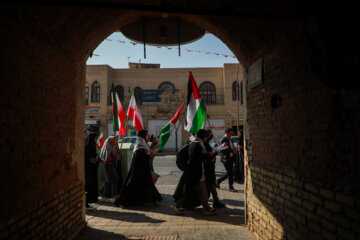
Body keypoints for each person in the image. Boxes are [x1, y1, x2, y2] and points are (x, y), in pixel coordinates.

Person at [172, 129, 217, 215]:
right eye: (206, 136)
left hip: (195, 172)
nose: (207, 137)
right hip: (195, 172)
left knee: (196, 190)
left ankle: (206, 208)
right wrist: (209, 155)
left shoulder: (196, 143)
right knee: (191, 190)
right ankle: (206, 208)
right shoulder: (197, 145)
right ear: (204, 137)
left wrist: (209, 155)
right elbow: (195, 159)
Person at [114, 130, 162, 207]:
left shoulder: (143, 145)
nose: (148, 136)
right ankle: (124, 201)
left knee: (146, 185)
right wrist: (149, 156)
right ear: (143, 136)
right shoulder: (140, 147)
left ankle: (147, 200)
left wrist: (150, 155)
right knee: (134, 186)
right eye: (147, 135)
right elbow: (141, 159)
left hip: (143, 171)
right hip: (138, 172)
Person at [204, 130, 225, 208]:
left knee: (212, 185)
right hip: (208, 168)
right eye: (210, 135)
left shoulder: (206, 144)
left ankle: (216, 201)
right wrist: (214, 152)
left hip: (210, 168)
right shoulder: (204, 144)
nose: (211, 136)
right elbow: (207, 155)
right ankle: (207, 203)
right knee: (208, 185)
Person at [99, 135, 121, 200]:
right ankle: (112, 196)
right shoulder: (107, 146)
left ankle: (106, 196)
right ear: (110, 140)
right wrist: (113, 153)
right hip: (107, 165)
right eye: (114, 140)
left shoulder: (114, 146)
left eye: (116, 140)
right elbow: (105, 157)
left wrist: (118, 152)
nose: (115, 141)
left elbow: (118, 157)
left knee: (108, 181)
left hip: (112, 165)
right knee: (113, 180)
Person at [84, 132, 99, 207]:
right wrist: (93, 159)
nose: (96, 139)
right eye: (95, 138)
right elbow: (86, 159)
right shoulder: (87, 147)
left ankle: (90, 200)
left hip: (92, 170)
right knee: (88, 186)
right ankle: (86, 202)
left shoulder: (93, 146)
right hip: (88, 170)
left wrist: (96, 158)